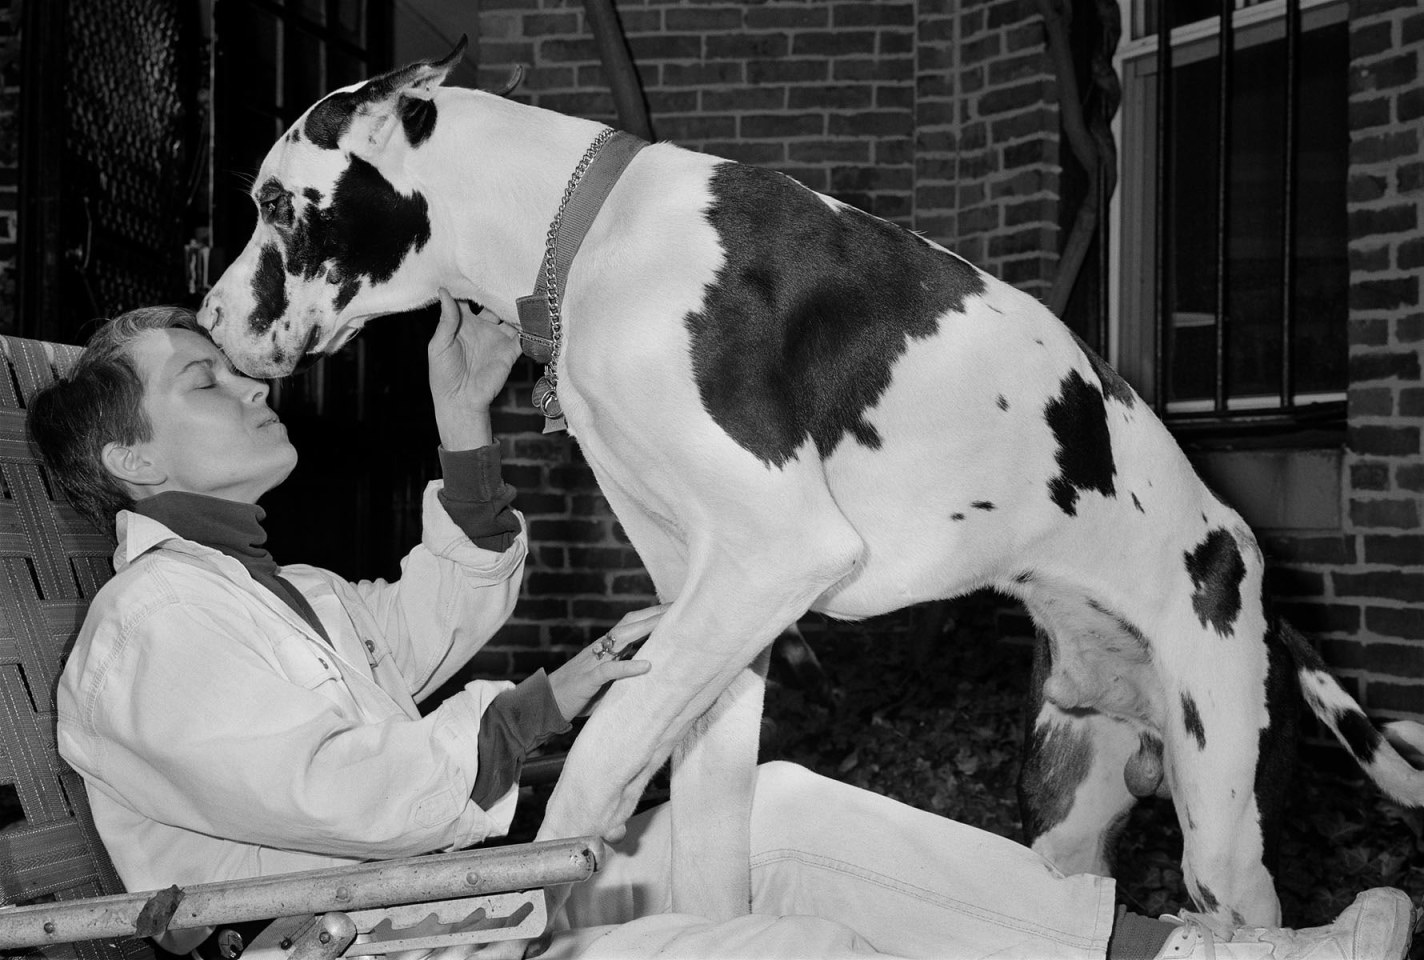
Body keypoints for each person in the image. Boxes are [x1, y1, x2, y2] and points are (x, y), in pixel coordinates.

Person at [27, 297, 1416, 960]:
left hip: (453, 908)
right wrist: (552, 705)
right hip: (368, 949)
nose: (251, 384)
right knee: (785, 954)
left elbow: (430, 612)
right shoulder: (151, 634)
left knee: (789, 814)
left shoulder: (274, 595)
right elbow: (341, 794)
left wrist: (463, 424)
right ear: (136, 462)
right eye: (204, 382)